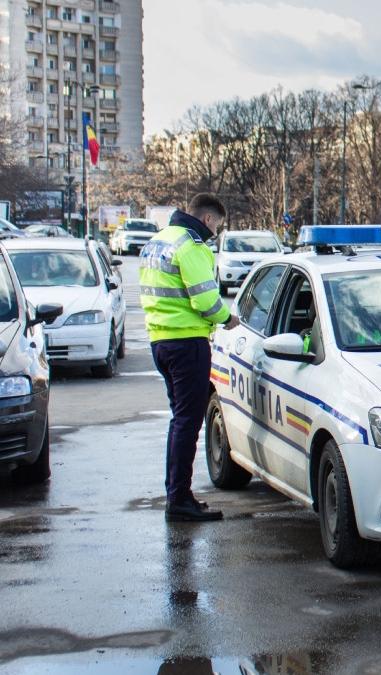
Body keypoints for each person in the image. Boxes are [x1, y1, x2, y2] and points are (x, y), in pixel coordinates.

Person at [140, 194, 240, 522]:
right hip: (187, 344)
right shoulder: (192, 246)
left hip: (161, 342)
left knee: (179, 420)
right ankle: (179, 499)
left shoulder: (158, 241)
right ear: (208, 220)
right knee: (188, 423)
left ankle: (176, 493)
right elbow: (206, 301)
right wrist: (228, 319)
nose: (216, 232)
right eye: (218, 226)